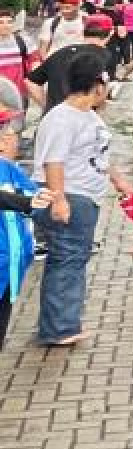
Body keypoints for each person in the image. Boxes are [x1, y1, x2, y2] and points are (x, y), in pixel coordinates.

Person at [31, 50, 133, 345]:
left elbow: (96, 154)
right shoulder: (63, 118)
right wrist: (59, 199)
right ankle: (60, 329)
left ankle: (58, 323)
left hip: (84, 197)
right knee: (67, 261)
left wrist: (117, 179)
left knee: (69, 261)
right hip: (70, 198)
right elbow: (54, 162)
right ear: (98, 84)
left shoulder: (87, 115)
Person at [0, 113, 48, 351]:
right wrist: (27, 203)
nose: (14, 136)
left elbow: (34, 194)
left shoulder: (9, 169)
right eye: (8, 130)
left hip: (10, 263)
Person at [28, 12, 115, 110]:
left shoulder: (60, 53)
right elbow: (99, 96)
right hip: (83, 118)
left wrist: (48, 106)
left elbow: (31, 82)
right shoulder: (107, 58)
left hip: (54, 117)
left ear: (83, 32)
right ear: (111, 33)